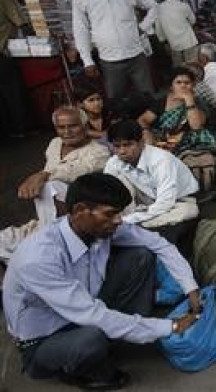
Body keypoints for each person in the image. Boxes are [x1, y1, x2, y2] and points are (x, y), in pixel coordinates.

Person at [3, 173, 200, 390]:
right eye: (111, 214)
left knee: (140, 256)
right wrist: (171, 326)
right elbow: (91, 315)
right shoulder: (39, 258)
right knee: (92, 338)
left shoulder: (99, 227)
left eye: (119, 214)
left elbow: (159, 244)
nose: (118, 221)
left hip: (86, 306)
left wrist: (190, 288)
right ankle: (75, 367)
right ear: (79, 211)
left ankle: (125, 335)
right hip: (45, 339)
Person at [7, 107, 110, 238]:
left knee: (48, 186)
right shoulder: (55, 143)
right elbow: (50, 169)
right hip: (53, 212)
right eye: (61, 127)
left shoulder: (100, 151)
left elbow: (75, 170)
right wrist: (41, 176)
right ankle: (47, 231)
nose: (67, 132)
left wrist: (43, 175)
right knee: (6, 239)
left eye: (73, 126)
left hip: (86, 208)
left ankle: (50, 238)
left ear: (84, 126)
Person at [72, 0, 157, 100]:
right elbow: (81, 31)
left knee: (148, 96)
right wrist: (87, 61)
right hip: (109, 61)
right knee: (115, 100)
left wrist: (143, 27)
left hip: (136, 56)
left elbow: (154, 6)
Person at [104, 120, 200, 231]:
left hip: (177, 202)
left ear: (141, 142)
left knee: (188, 211)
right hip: (144, 203)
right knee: (116, 182)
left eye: (127, 145)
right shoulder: (114, 162)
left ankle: (133, 224)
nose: (122, 151)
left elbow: (165, 202)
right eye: (117, 146)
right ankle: (131, 222)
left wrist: (130, 219)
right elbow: (107, 195)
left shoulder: (161, 160)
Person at [138, 66, 216, 155]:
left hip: (188, 143)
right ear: (171, 86)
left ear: (193, 86)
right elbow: (143, 119)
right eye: (178, 82)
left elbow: (196, 126)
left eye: (187, 83)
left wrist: (188, 100)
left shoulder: (199, 102)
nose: (183, 86)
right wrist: (146, 131)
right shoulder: (163, 101)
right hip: (163, 141)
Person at [0, 0, 31, 139]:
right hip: (2, 56)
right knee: (13, 93)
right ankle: (21, 130)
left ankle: (8, 131)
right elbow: (24, 25)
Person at [154, 0, 198, 67]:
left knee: (179, 70)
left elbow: (159, 29)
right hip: (189, 42)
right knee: (193, 68)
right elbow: (193, 21)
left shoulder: (159, 8)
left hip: (174, 45)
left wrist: (163, 40)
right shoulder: (183, 6)